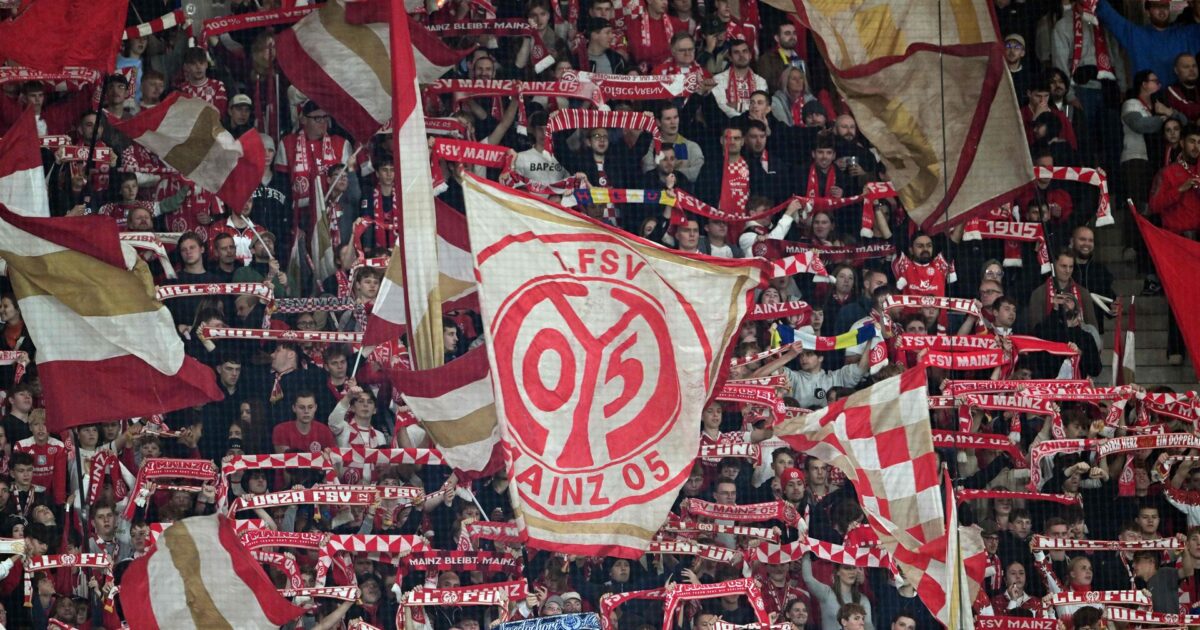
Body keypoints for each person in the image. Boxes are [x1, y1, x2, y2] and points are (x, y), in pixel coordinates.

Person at [712, 40, 768, 118]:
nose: (741, 55)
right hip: (730, 124)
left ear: (750, 55)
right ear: (730, 58)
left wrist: (739, 106)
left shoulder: (761, 81)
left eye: (744, 51)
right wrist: (743, 119)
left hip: (756, 124)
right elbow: (722, 107)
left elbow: (762, 107)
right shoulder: (718, 79)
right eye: (736, 52)